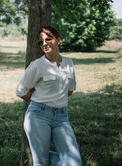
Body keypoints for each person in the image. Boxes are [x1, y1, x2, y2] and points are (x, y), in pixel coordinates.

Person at [16, 26, 82, 166]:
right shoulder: (37, 65)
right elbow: (21, 91)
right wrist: (39, 98)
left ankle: (41, 153)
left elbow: (70, 90)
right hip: (38, 115)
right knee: (42, 162)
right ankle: (40, 155)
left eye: (48, 39)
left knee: (74, 163)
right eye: (41, 42)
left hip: (61, 117)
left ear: (58, 40)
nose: (44, 43)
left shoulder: (69, 63)